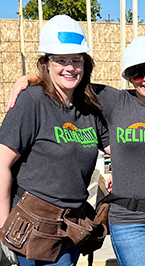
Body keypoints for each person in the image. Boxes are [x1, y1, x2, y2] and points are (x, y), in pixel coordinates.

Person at [6, 36, 145, 266]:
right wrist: (28, 78)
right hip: (128, 217)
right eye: (137, 73)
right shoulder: (114, 100)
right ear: (128, 77)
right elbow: (69, 78)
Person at [0, 15, 109, 266]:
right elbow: (2, 163)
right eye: (60, 60)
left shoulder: (89, 105)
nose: (69, 67)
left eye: (76, 60)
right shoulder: (32, 102)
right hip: (32, 226)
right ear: (46, 63)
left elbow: (118, 149)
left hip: (71, 226)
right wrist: (3, 226)